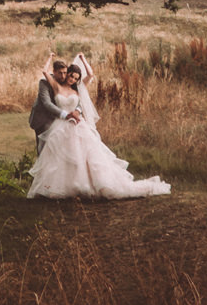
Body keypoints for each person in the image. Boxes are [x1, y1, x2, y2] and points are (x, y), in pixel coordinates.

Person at [27, 51, 171, 200]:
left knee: (85, 155)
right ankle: (59, 187)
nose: (69, 78)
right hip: (61, 125)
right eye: (68, 75)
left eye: (74, 77)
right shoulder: (56, 86)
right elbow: (45, 76)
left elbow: (90, 75)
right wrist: (50, 57)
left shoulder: (77, 88)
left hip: (77, 124)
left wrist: (83, 59)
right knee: (60, 157)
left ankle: (88, 184)